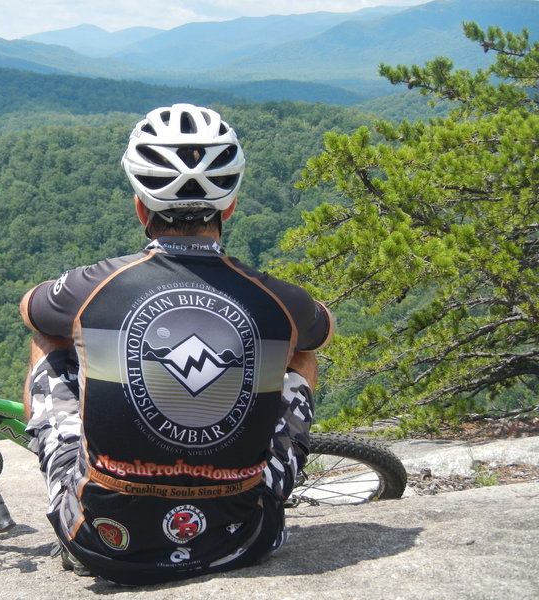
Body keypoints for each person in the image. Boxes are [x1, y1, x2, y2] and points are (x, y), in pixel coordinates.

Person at [19, 103, 334, 585]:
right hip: (243, 541)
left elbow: (32, 309)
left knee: (50, 335)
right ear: (229, 206)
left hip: (101, 544)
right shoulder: (279, 298)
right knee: (301, 353)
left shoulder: (95, 285)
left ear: (140, 205)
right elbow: (321, 330)